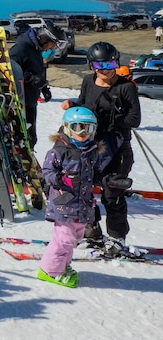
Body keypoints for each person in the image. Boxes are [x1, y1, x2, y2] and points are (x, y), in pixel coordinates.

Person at [60, 41, 142, 256]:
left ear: (117, 62)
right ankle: (92, 232)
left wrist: (111, 118)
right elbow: (83, 103)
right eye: (100, 65)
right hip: (91, 145)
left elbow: (135, 120)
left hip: (118, 149)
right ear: (91, 66)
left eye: (111, 64)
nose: (106, 70)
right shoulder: (88, 81)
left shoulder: (125, 87)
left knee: (112, 194)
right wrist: (72, 105)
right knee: (84, 189)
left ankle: (117, 238)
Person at [37, 107, 103, 288]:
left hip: (82, 204)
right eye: (78, 127)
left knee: (74, 238)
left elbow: (95, 174)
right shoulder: (58, 151)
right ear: (67, 128)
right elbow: (47, 173)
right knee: (64, 239)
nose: (83, 133)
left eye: (88, 129)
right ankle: (49, 271)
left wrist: (108, 180)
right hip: (63, 203)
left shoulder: (92, 151)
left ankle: (62, 266)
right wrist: (61, 179)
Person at [9, 24, 63, 147]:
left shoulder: (36, 50)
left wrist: (44, 87)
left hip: (30, 99)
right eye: (53, 44)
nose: (52, 48)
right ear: (45, 39)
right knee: (24, 138)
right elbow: (10, 70)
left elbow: (35, 71)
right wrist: (32, 79)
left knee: (31, 138)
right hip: (21, 101)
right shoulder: (21, 49)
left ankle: (28, 156)